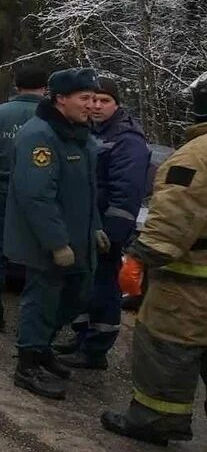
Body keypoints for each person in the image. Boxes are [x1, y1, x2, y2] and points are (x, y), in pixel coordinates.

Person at [101, 72, 207, 445]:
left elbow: (175, 216)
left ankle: (154, 420)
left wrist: (140, 257)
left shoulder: (196, 155)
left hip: (189, 283)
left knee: (167, 346)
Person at [5, 67, 106, 400]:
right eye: (84, 98)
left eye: (94, 98)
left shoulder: (79, 134)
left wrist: (95, 228)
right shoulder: (41, 135)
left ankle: (43, 347)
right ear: (61, 99)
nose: (92, 104)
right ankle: (28, 363)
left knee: (77, 295)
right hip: (50, 243)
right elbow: (36, 196)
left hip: (78, 239)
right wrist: (56, 243)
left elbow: (85, 192)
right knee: (43, 299)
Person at [56, 78, 150, 369]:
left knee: (103, 288)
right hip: (87, 225)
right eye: (92, 99)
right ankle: (83, 336)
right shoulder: (90, 133)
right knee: (85, 285)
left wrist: (112, 232)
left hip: (107, 229)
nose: (96, 106)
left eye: (104, 101)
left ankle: (96, 349)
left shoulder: (127, 140)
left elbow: (127, 191)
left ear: (116, 104)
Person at [0, 64, 48, 332]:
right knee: (39, 255)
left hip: (4, 189)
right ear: (45, 87)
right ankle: (32, 319)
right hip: (41, 194)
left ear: (16, 86)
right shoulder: (50, 117)